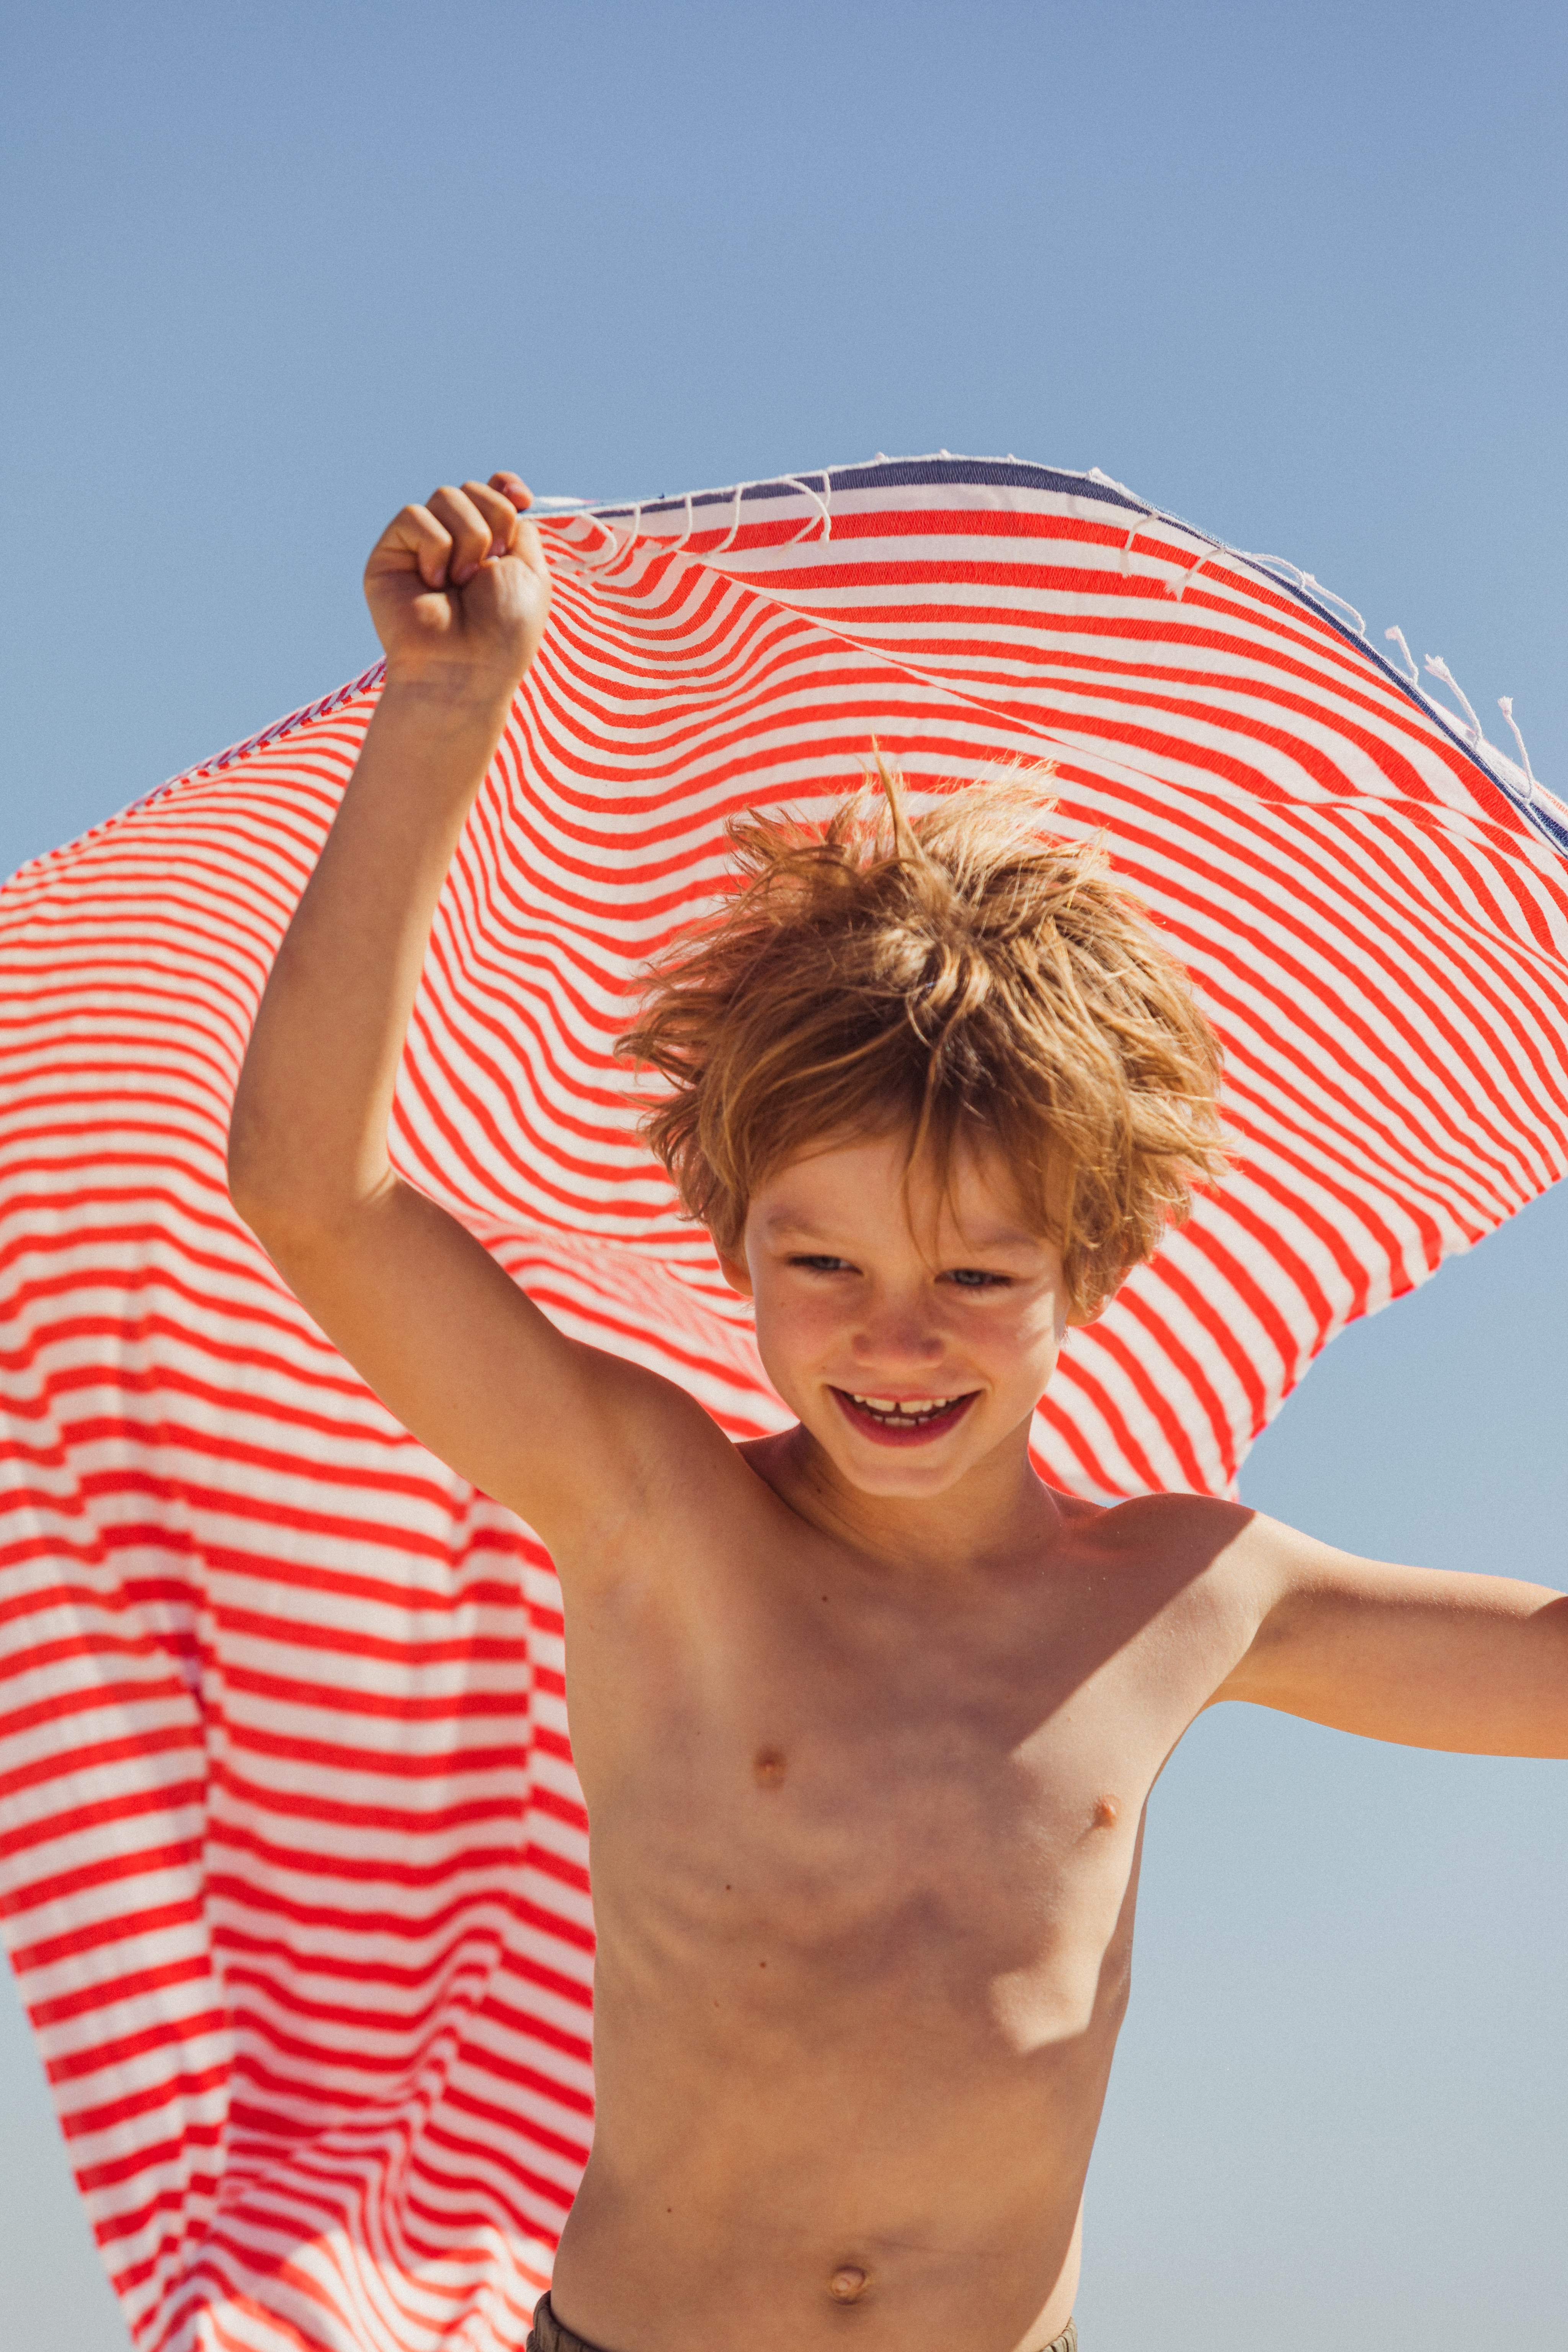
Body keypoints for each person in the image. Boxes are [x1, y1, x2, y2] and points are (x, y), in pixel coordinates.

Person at [226, 472, 1568, 2352]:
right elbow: (315, 1193)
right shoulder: (656, 1517)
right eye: (826, 1268)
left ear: (1088, 1272)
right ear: (735, 1251)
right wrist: (445, 715)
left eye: (974, 1278)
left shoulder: (1187, 1593)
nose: (896, 1339)